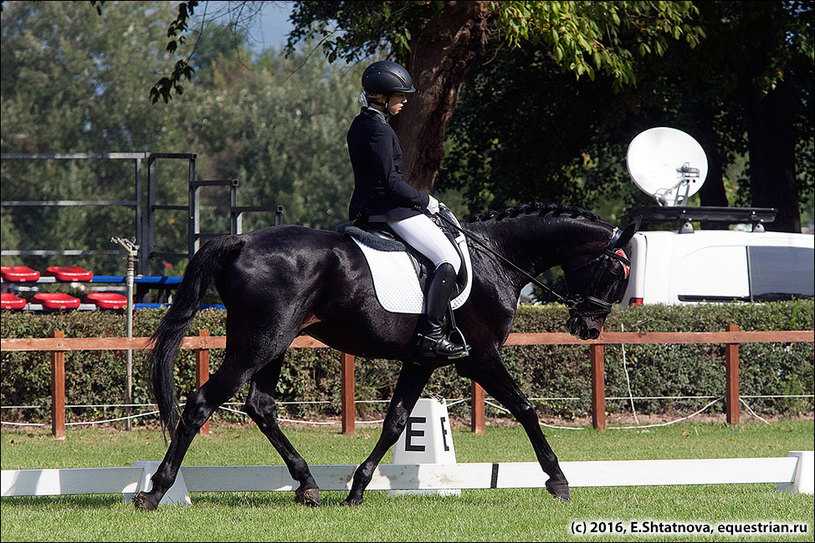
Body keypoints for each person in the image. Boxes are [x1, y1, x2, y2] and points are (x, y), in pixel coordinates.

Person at [346, 60, 467, 360]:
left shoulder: (362, 124)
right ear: (382, 98)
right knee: (448, 257)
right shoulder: (379, 131)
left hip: (375, 207)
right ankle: (433, 335)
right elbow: (390, 183)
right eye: (399, 96)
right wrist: (426, 201)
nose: (404, 100)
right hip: (388, 210)